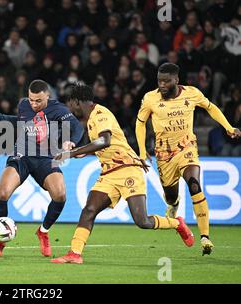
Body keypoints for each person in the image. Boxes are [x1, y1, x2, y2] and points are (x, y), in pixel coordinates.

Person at [50, 83, 194, 264]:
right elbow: (107, 145)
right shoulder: (91, 119)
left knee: (142, 221)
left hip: (127, 170)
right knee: (89, 209)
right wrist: (87, 152)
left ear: (77, 102)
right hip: (109, 173)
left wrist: (72, 152)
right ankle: (75, 253)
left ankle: (177, 223)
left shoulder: (100, 114)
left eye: (70, 104)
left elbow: (105, 140)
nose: (69, 108)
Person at [135, 63, 241, 255]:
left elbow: (211, 108)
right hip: (164, 155)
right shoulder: (150, 98)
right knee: (170, 195)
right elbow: (140, 123)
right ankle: (174, 205)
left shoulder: (191, 93)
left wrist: (228, 127)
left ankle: (205, 237)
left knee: (194, 184)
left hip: (186, 149)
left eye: (166, 81)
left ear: (176, 80)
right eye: (160, 81)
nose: (162, 85)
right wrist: (142, 151)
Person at [0, 79, 84, 257]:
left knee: (60, 194)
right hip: (22, 156)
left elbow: (77, 128)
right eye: (31, 99)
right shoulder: (24, 105)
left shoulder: (59, 110)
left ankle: (43, 231)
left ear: (47, 97)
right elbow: (20, 122)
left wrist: (71, 140)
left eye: (38, 101)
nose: (33, 104)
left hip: (46, 158)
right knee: (3, 192)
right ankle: (0, 238)